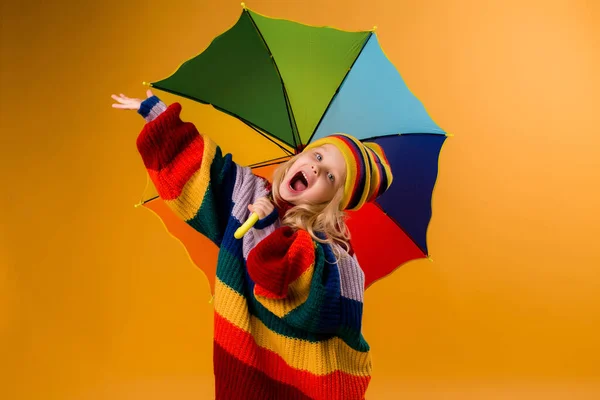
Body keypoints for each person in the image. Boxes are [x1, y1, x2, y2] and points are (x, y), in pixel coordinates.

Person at [111, 90, 393, 400]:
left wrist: (269, 226)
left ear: (331, 202)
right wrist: (157, 116)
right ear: (299, 156)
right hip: (246, 359)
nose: (315, 168)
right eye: (318, 155)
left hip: (302, 379)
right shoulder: (247, 194)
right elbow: (205, 175)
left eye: (329, 176)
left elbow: (299, 296)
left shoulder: (333, 256)